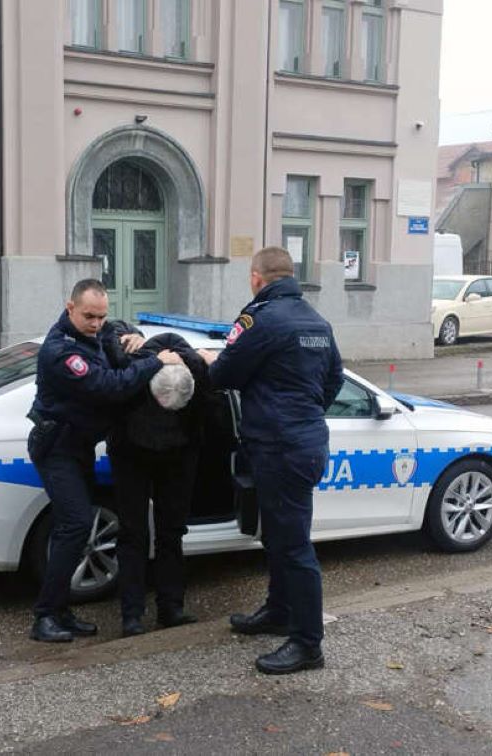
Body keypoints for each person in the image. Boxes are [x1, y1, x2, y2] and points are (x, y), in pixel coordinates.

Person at [198, 246, 343, 675]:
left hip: (280, 446)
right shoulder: (317, 322)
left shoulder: (260, 319)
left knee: (293, 545)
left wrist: (210, 362)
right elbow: (334, 380)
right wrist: (305, 414)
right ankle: (279, 611)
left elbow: (222, 375)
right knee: (279, 538)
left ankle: (308, 644)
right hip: (302, 441)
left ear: (256, 278)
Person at [27, 279, 183, 643]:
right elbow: (109, 386)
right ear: (69, 308)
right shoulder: (61, 351)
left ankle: (61, 612)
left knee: (73, 528)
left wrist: (133, 336)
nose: (97, 324)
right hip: (58, 448)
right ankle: (45, 616)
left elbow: (115, 332)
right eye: (89, 316)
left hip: (78, 446)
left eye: (101, 316)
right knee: (76, 525)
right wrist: (155, 361)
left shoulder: (92, 334)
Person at [106, 331, 210, 638]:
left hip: (178, 456)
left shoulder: (195, 370)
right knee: (132, 533)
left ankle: (170, 608)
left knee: (171, 533)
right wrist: (130, 338)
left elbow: (220, 382)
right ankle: (132, 615)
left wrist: (194, 358)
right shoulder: (134, 364)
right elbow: (110, 334)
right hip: (132, 453)